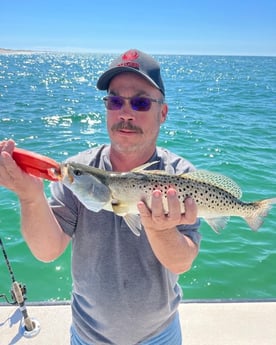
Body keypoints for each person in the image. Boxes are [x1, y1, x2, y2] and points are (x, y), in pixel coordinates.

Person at [0, 49, 201, 345]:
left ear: (163, 112)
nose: (125, 112)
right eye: (115, 101)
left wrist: (161, 230)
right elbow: (47, 251)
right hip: (87, 336)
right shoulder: (80, 172)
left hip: (160, 335)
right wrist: (31, 197)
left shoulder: (180, 175)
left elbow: (181, 262)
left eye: (141, 102)